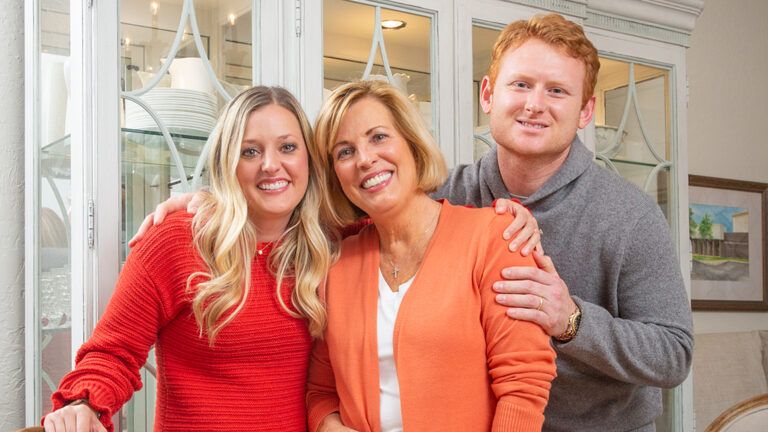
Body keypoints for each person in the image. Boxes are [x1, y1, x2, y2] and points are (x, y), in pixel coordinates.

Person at [433, 14, 693, 431]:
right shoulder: (445, 196)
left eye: (556, 91)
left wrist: (570, 320)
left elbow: (673, 354)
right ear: (488, 94)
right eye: (520, 84)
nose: (534, 104)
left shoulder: (632, 216)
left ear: (585, 110)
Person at [42, 86, 337, 432]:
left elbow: (398, 220)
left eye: (287, 147)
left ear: (309, 160)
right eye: (250, 152)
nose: (271, 165)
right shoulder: (175, 239)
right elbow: (114, 353)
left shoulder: (324, 247)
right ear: (227, 163)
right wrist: (84, 403)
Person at [307, 80, 556, 432]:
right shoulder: (336, 266)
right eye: (344, 152)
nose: (364, 159)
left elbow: (524, 385)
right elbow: (320, 391)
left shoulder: (495, 237)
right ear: (335, 175)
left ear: (411, 143)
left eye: (378, 137)